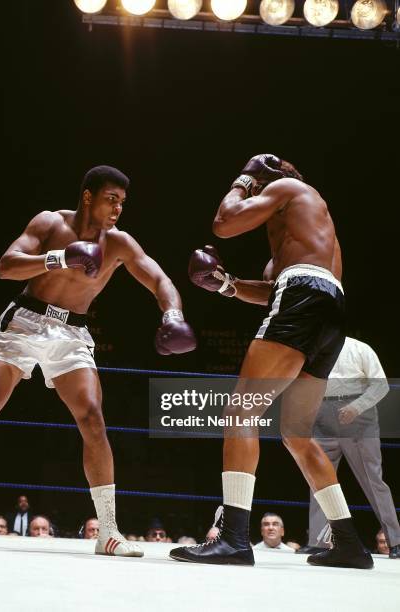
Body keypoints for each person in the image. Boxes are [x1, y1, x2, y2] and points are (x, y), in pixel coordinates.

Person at [0, 165, 196, 558]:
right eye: (111, 199)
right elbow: (6, 266)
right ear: (88, 196)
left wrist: (172, 313)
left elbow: (160, 279)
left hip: (72, 334)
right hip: (25, 321)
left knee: (92, 417)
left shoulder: (120, 243)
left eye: (122, 203)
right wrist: (59, 259)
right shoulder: (50, 223)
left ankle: (108, 531)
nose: (117, 210)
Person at [171, 153, 372, 569]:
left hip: (302, 299)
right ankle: (351, 543)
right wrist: (226, 286)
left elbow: (224, 223)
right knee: (297, 434)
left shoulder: (288, 188)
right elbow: (269, 289)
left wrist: (245, 178)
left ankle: (232, 539)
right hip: (330, 312)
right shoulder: (310, 235)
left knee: (239, 413)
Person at [303, 337, 400, 559]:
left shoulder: (360, 348)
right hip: (322, 412)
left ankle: (396, 541)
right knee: (318, 480)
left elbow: (380, 385)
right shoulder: (312, 346)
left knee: (372, 479)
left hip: (358, 414)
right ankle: (318, 542)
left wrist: (356, 408)